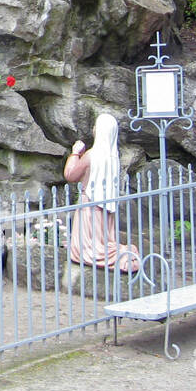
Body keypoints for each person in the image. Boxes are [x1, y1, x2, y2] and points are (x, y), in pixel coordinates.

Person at [63, 112, 141, 272]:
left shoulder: (91, 155)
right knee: (103, 240)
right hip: (106, 205)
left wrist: (75, 153)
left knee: (89, 247)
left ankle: (120, 256)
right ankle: (123, 254)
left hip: (90, 204)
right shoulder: (113, 157)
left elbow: (70, 175)